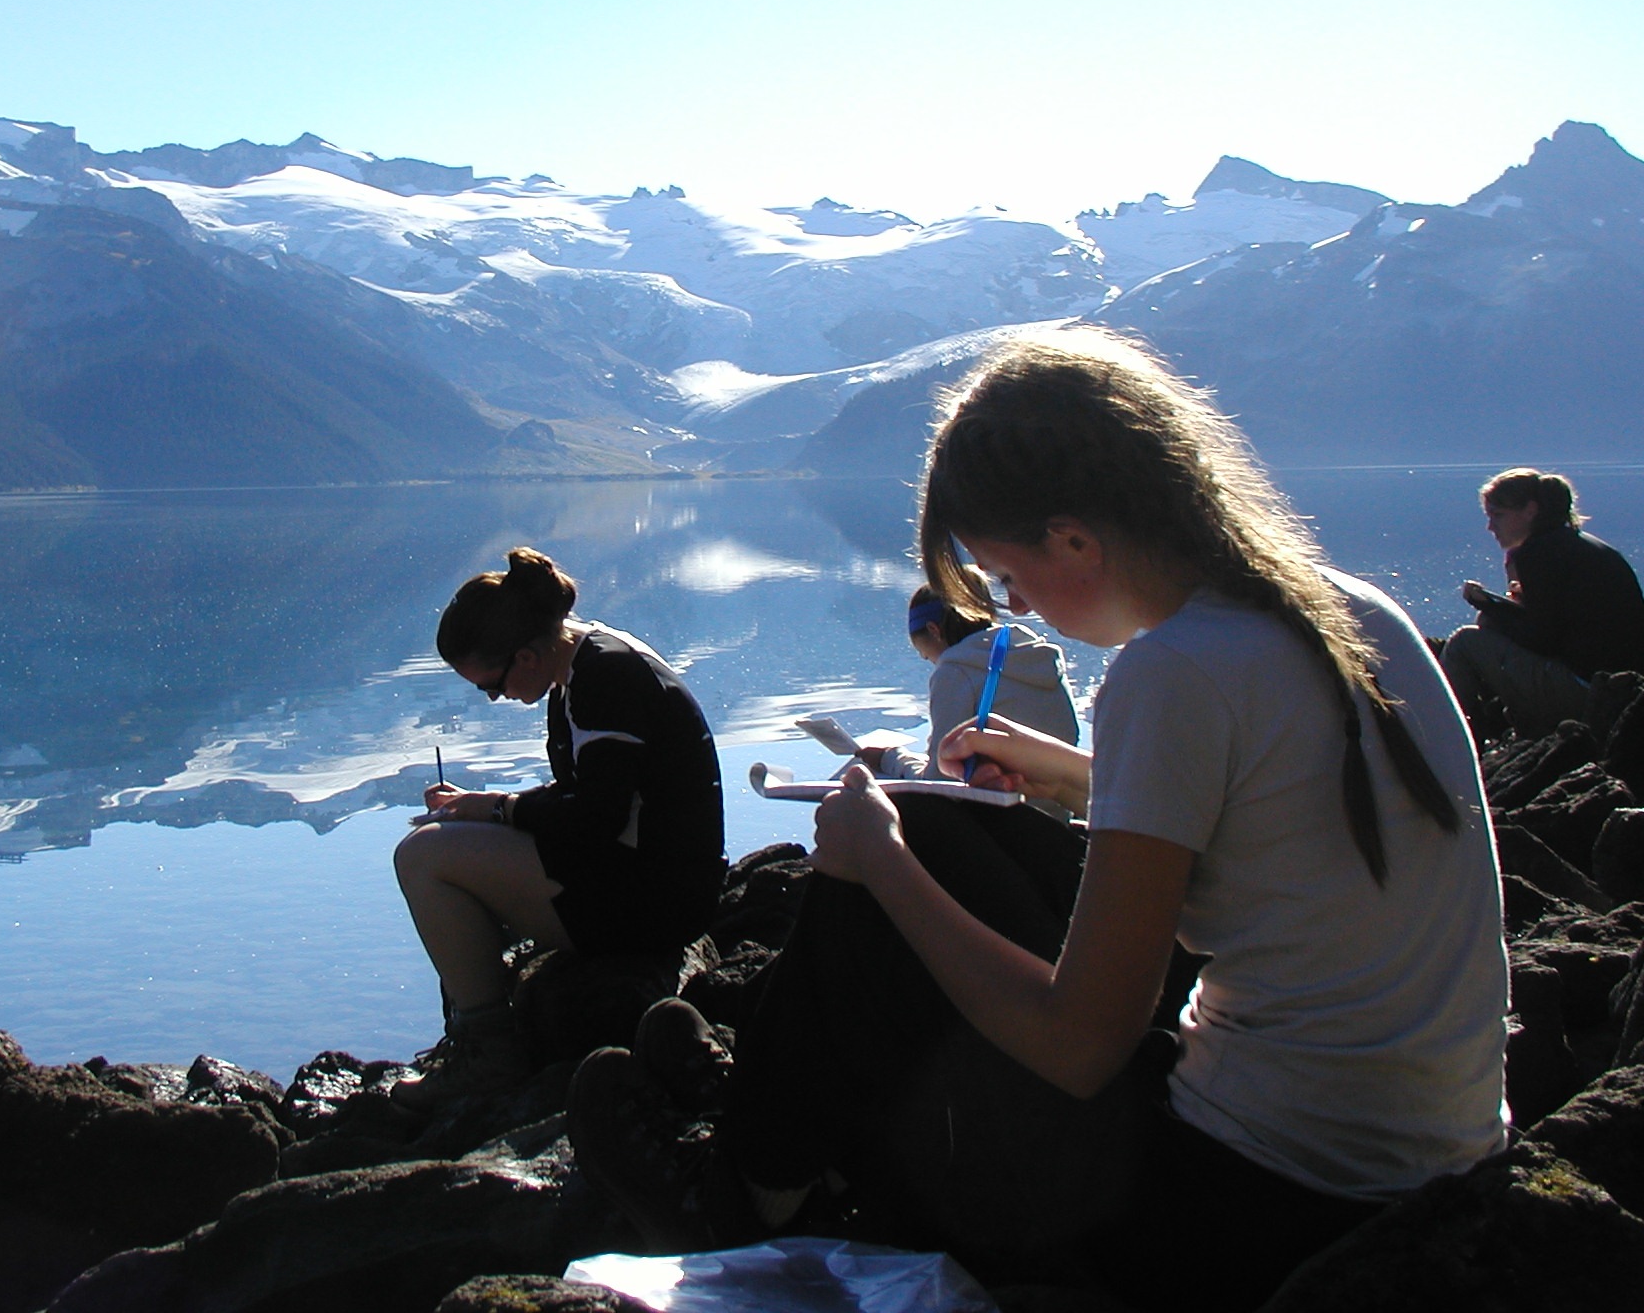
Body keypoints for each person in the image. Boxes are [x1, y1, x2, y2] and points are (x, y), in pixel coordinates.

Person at [569, 328, 1509, 1312]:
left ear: (1073, 539)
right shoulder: (1341, 610)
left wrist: (880, 862)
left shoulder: (1172, 671)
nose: (1014, 605)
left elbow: (1080, 1046)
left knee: (892, 870)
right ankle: (779, 1119)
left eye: (1006, 577)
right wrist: (1065, 774)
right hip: (1432, 1161)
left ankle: (733, 1194)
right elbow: (1260, 820)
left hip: (1252, 1204)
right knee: (936, 828)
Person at [394, 546, 726, 1109]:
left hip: (655, 902)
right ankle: (479, 1020)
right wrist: (485, 807)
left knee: (422, 859)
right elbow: (595, 797)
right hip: (658, 878)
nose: (495, 697)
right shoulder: (588, 661)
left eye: (490, 685)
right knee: (446, 843)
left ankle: (488, 1053)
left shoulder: (604, 681)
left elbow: (596, 819)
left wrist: (498, 811)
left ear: (524, 657)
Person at [1442, 468, 1644, 740]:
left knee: (1464, 643)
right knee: (1489, 623)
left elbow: (1541, 640)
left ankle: (1451, 738)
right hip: (1620, 691)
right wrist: (1498, 609)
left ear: (1530, 511)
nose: (1491, 527)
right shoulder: (1583, 546)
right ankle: (1519, 727)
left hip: (1585, 692)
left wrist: (1488, 604)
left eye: (1498, 515)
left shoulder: (1538, 553)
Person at [857, 581, 1080, 781]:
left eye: (921, 649)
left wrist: (891, 758)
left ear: (934, 630)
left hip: (1003, 806)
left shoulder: (955, 671)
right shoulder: (1040, 655)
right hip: (1059, 801)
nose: (925, 658)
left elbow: (939, 777)